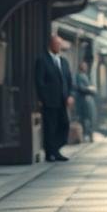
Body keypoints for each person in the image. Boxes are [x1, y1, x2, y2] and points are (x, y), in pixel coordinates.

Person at [33, 33, 74, 162]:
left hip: (63, 100)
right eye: (57, 44)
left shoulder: (63, 61)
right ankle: (50, 153)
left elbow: (68, 80)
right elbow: (39, 81)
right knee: (50, 127)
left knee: (64, 125)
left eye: (60, 44)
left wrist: (70, 95)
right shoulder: (42, 60)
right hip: (49, 101)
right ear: (50, 44)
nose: (59, 46)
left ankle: (56, 149)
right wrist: (43, 98)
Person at [73, 60, 97, 143]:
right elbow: (81, 88)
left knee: (90, 117)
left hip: (88, 99)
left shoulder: (85, 76)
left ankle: (89, 135)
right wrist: (89, 89)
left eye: (86, 66)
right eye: (84, 66)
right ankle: (85, 135)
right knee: (85, 118)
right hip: (84, 100)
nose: (85, 67)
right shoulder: (79, 76)